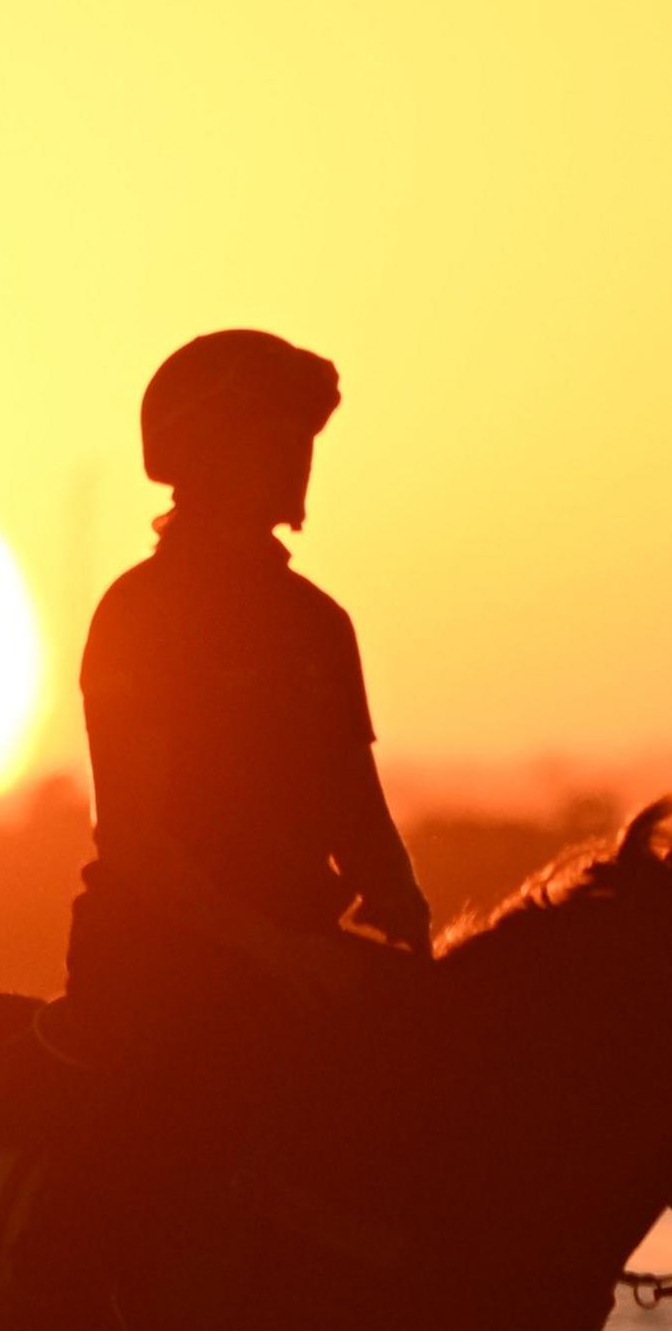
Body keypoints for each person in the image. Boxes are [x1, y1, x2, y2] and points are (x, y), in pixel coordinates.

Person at [54, 328, 429, 1147]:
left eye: (302, 441)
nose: (298, 461)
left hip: (306, 961)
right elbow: (133, 843)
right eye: (277, 437)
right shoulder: (136, 615)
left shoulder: (320, 625)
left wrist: (414, 928)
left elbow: (362, 824)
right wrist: (281, 955)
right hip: (157, 966)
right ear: (208, 453)